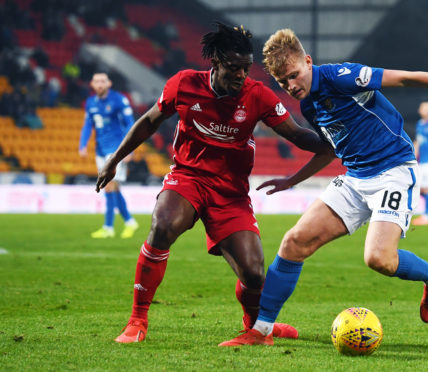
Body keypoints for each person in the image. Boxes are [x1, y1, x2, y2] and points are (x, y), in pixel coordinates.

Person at [220, 28, 428, 346]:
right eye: (284, 82)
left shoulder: (342, 76)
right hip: (356, 177)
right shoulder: (309, 105)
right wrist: (293, 180)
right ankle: (261, 332)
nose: (291, 86)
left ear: (308, 61)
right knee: (293, 243)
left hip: (394, 169)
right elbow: (329, 150)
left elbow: (405, 78)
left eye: (294, 75)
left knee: (379, 259)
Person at [95, 23, 331, 343]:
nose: (241, 76)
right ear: (216, 62)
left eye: (246, 69)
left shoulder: (257, 95)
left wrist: (338, 140)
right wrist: (114, 159)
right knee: (163, 225)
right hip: (188, 177)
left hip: (231, 193)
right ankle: (137, 320)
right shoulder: (184, 84)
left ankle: (255, 325)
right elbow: (150, 120)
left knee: (253, 272)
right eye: (234, 68)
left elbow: (298, 135)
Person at [79, 72, 138, 239]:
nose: (99, 84)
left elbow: (130, 125)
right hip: (100, 150)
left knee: (109, 186)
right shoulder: (90, 103)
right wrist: (82, 145)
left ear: (109, 83)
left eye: (102, 81)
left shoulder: (119, 100)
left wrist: (129, 149)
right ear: (91, 83)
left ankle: (108, 227)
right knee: (112, 187)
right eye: (96, 81)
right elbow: (87, 125)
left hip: (116, 150)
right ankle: (129, 221)